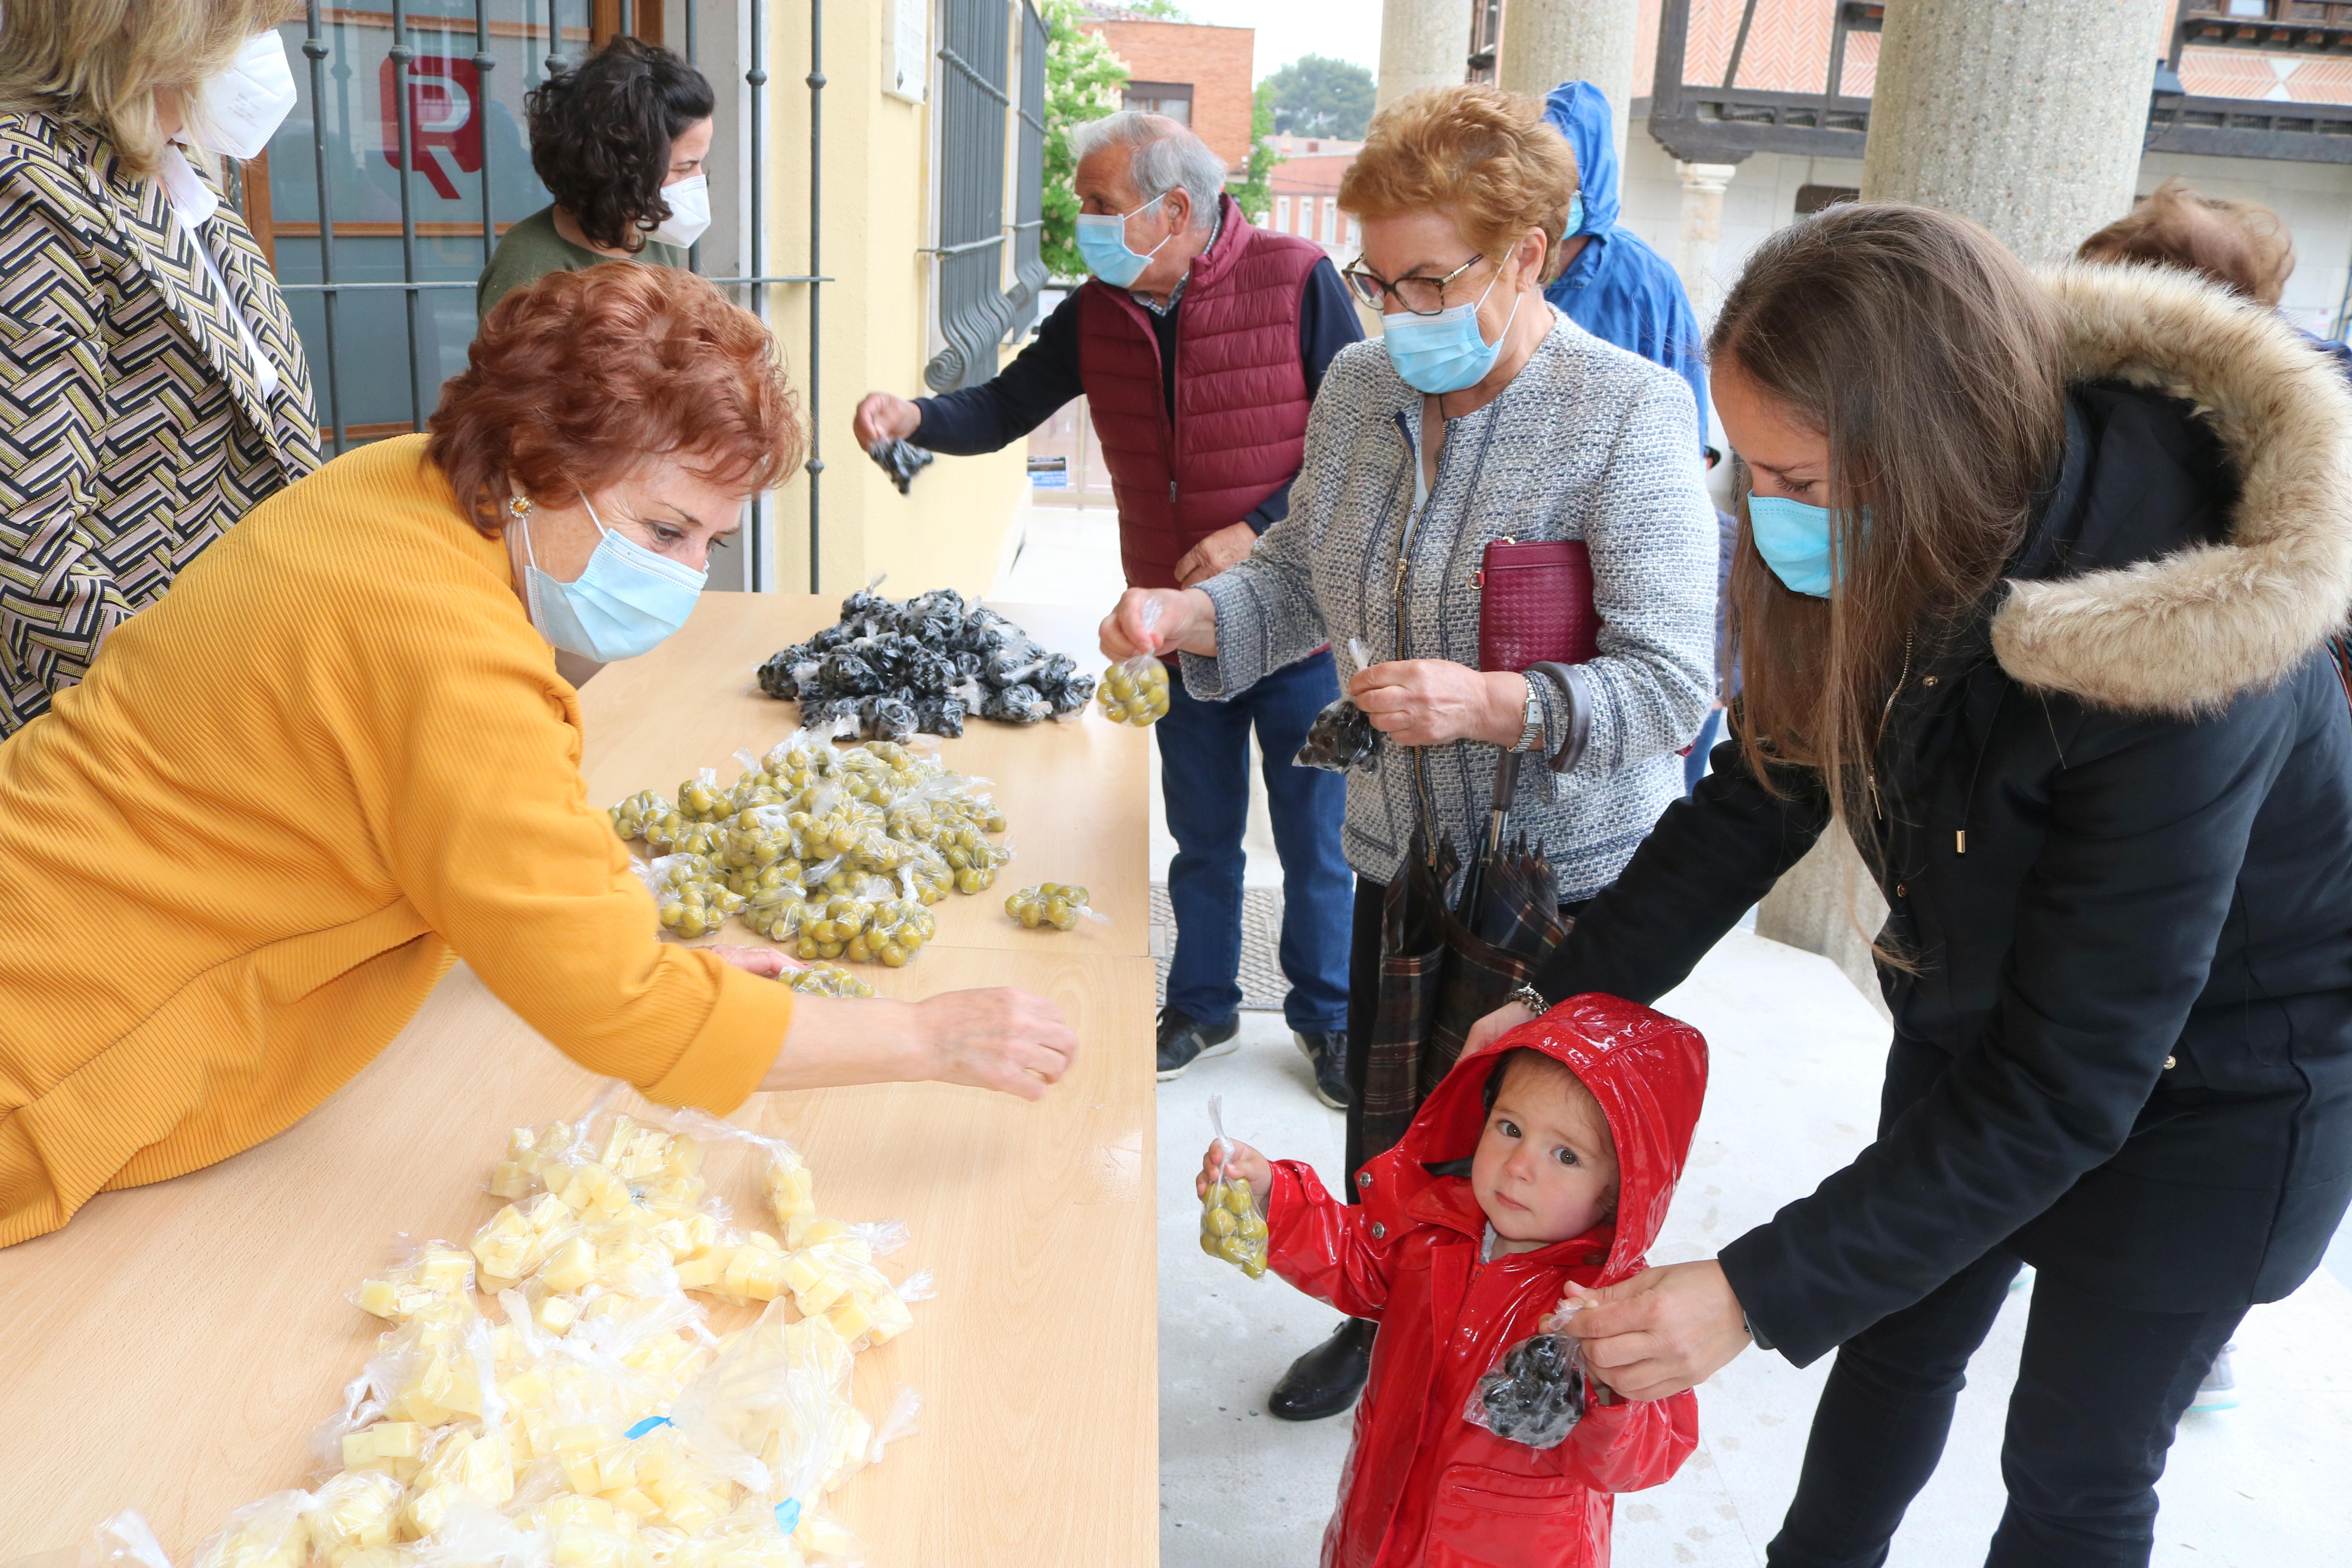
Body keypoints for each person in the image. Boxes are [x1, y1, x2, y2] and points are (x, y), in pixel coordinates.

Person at [1467, 203, 2352, 1567]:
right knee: (1894, 1342)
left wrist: (1749, 1293)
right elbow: (1759, 793)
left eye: (1807, 483)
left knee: (2074, 1461)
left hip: (2222, 1095)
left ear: (1932, 450)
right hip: (1988, 1012)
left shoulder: (2182, 652)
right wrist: (1554, 1004)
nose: (1773, 521)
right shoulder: (1905, 537)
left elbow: (2071, 1083)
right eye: (1751, 476)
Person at [0, 264, 1077, 1249]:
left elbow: (462, 831)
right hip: (53, 1049)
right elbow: (618, 1007)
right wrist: (925, 1037)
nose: (689, 576)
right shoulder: (452, 655)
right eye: (663, 532)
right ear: (535, 462)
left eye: (712, 542)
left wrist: (620, 928)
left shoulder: (395, 487)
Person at [1102, 85, 1717, 1423]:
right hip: (1401, 852)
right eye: (1378, 282)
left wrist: (1496, 704)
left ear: (1526, 258)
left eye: (1432, 281)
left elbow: (1672, 685)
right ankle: (1376, 1328)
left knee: (1535, 1178)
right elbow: (1296, 580)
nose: (1401, 316)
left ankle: (1516, 1389)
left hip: (1562, 889)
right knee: (1396, 1145)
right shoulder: (1362, 386)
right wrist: (1191, 615)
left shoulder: (1629, 412)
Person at [853, 111, 1361, 1107]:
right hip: (1169, 628)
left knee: (1319, 840)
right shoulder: (1100, 308)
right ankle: (1204, 1002)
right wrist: (915, 416)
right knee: (1200, 832)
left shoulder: (1299, 280)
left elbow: (1360, 449)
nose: (1081, 222)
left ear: (1175, 209)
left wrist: (1256, 532)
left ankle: (1330, 1017)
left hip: (1302, 622)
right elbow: (1004, 407)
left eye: (1097, 204)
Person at [1198, 994, 1703, 1566]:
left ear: (1621, 1190)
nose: (1519, 1166)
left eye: (1566, 1156)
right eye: (1510, 1128)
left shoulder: (1613, 1310)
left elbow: (1640, 1458)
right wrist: (1275, 1198)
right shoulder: (1433, 1226)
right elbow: (1354, 1258)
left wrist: (1617, 1387)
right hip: (1381, 1515)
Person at [0, 0, 319, 737]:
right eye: (249, 27)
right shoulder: (28, 186)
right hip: (125, 724)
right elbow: (29, 541)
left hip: (247, 670)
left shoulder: (173, 171)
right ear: (157, 30)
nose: (268, 52)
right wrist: (194, 697)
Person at [475, 36, 714, 318]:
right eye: (684, 168)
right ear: (622, 165)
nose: (699, 181)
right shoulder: (528, 264)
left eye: (700, 165)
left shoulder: (653, 237)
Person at [1539, 81, 1709, 447]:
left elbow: (1685, 409)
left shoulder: (1647, 279)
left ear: (1592, 177)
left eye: (1564, 176)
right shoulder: (1499, 261)